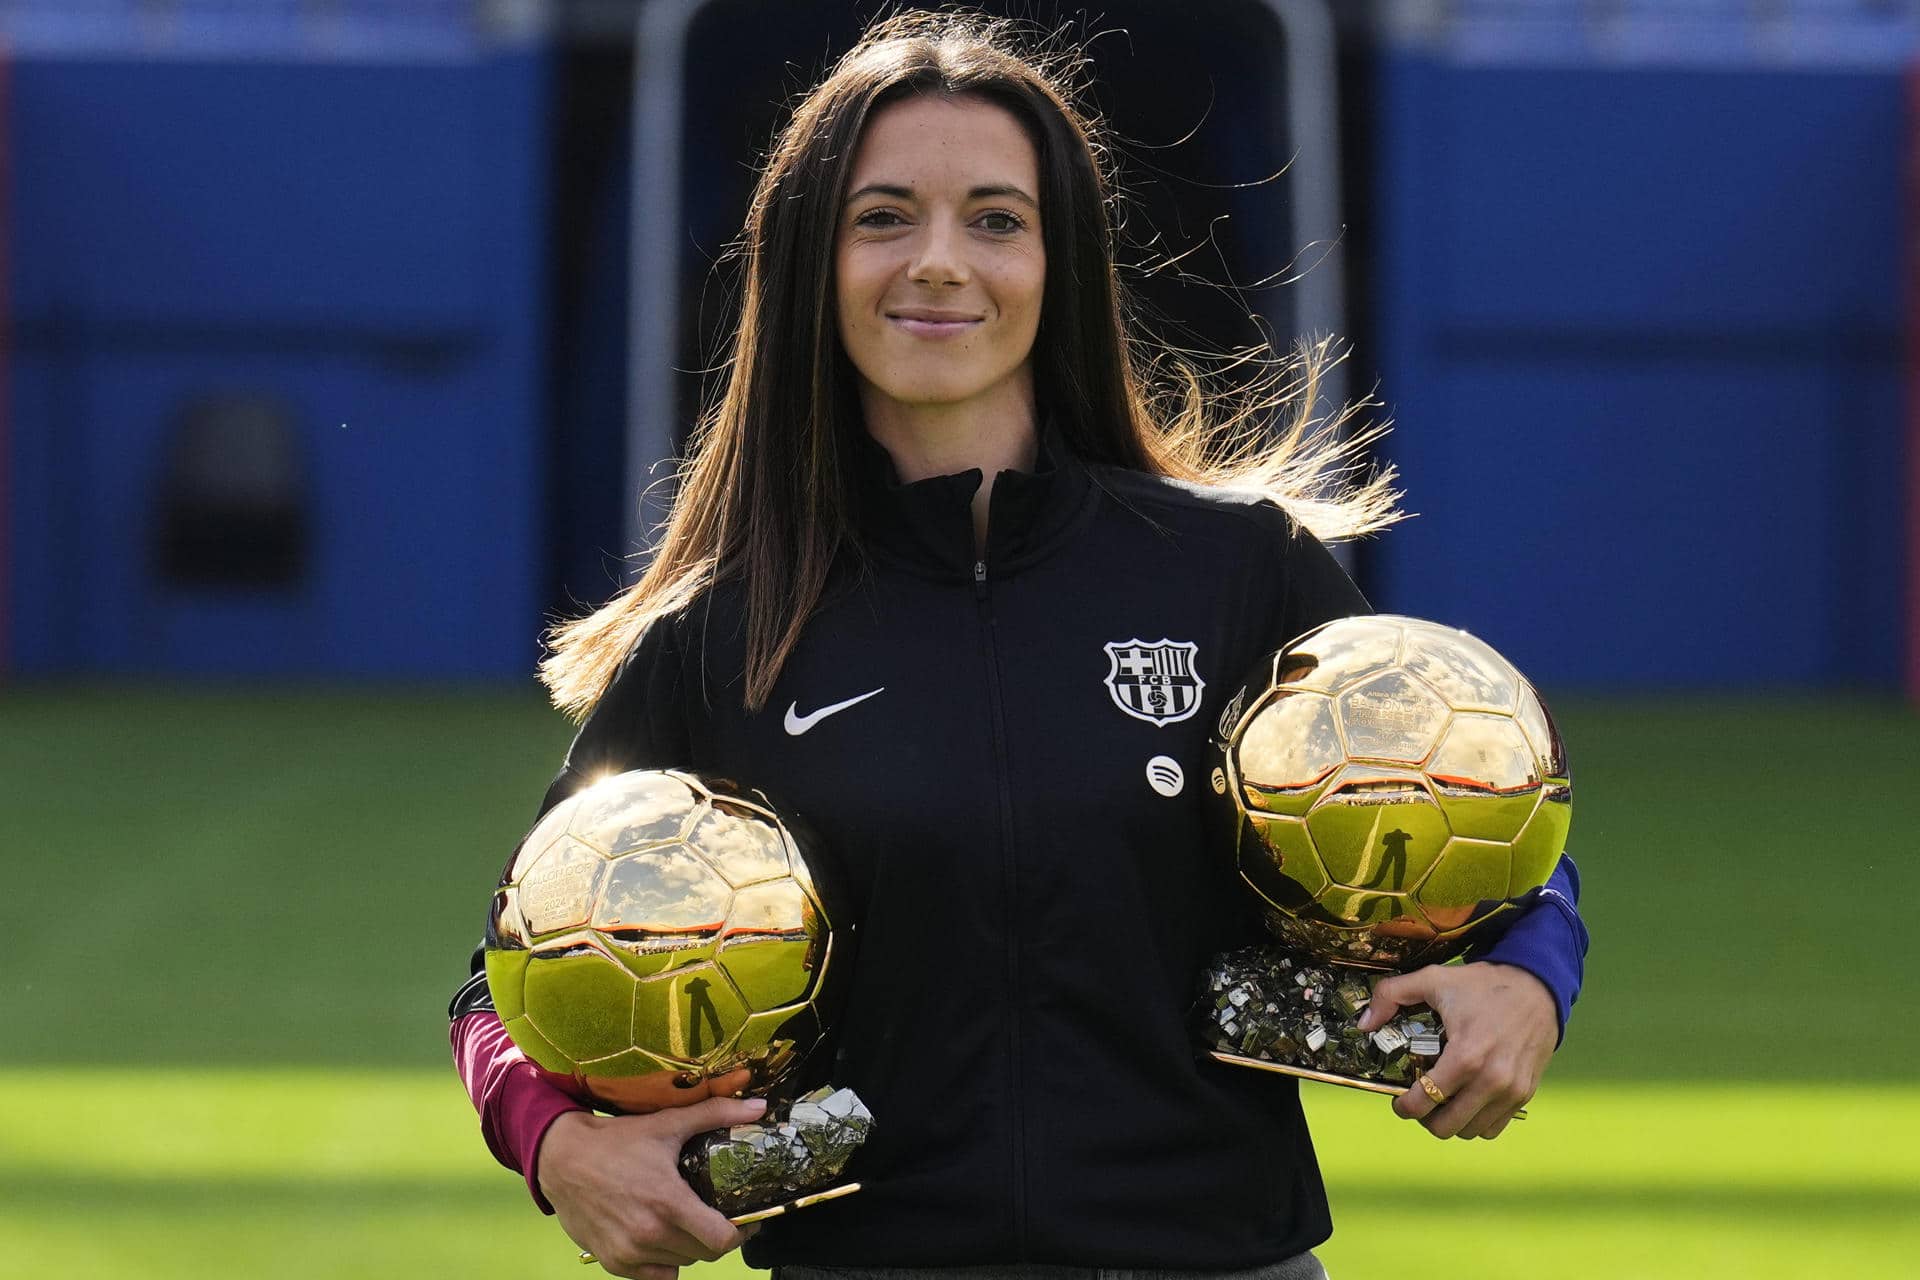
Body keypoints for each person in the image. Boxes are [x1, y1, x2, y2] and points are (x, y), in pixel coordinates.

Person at [447, 12, 1588, 1280]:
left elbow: (1498, 844)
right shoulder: (723, 634)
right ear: (810, 261)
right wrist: (560, 1146)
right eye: (884, 217)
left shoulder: (1237, 570)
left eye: (996, 218)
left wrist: (1527, 979)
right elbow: (501, 989)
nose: (941, 261)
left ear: (1063, 265)